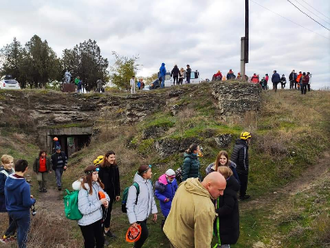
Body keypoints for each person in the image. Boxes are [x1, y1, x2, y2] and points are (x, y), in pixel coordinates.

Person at [163, 172, 227, 248]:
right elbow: (202, 242)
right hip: (184, 244)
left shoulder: (186, 185)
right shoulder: (205, 208)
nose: (222, 193)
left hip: (172, 233)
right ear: (209, 185)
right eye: (220, 190)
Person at [5, 159, 36, 248]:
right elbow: (26, 203)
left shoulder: (8, 179)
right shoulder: (25, 185)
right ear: (26, 169)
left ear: (15, 167)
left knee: (18, 229)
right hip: (22, 213)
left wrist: (26, 196)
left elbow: (10, 195)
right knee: (22, 233)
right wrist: (33, 200)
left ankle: (7, 235)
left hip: (11, 210)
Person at [77, 165, 110, 248]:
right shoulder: (83, 189)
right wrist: (100, 202)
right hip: (87, 222)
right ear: (89, 175)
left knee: (100, 241)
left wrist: (106, 201)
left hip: (97, 219)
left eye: (97, 173)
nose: (97, 175)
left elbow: (105, 195)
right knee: (90, 243)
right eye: (95, 174)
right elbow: (84, 209)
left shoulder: (96, 184)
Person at [126, 164, 158, 248]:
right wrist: (133, 221)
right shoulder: (134, 187)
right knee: (144, 234)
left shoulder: (149, 183)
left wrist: (154, 211)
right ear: (144, 174)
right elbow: (129, 205)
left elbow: (151, 198)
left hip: (144, 215)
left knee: (140, 235)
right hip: (138, 217)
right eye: (150, 172)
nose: (151, 173)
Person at [214, 166, 240, 248]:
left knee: (225, 241)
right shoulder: (226, 187)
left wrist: (216, 212)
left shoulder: (228, 191)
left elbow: (228, 208)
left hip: (227, 224)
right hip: (226, 223)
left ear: (223, 177)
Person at [98, 151, 120, 238]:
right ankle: (101, 234)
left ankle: (107, 230)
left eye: (114, 157)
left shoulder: (115, 167)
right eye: (111, 157)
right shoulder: (100, 168)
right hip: (102, 194)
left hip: (111, 193)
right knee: (102, 213)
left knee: (109, 212)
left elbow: (117, 181)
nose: (113, 159)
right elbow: (98, 183)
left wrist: (117, 193)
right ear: (106, 158)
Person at [231, 131, 252, 200]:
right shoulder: (243, 147)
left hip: (234, 168)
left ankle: (234, 196)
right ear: (246, 139)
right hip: (240, 169)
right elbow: (242, 160)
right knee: (243, 182)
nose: (250, 140)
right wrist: (245, 169)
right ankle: (242, 196)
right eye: (249, 138)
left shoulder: (237, 145)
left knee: (236, 183)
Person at [0, 155, 16, 244]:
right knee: (13, 217)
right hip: (7, 199)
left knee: (13, 217)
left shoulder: (12, 170)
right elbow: (1, 189)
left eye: (11, 162)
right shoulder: (2, 173)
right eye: (7, 163)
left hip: (14, 198)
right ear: (3, 164)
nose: (10, 164)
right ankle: (7, 236)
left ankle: (11, 235)